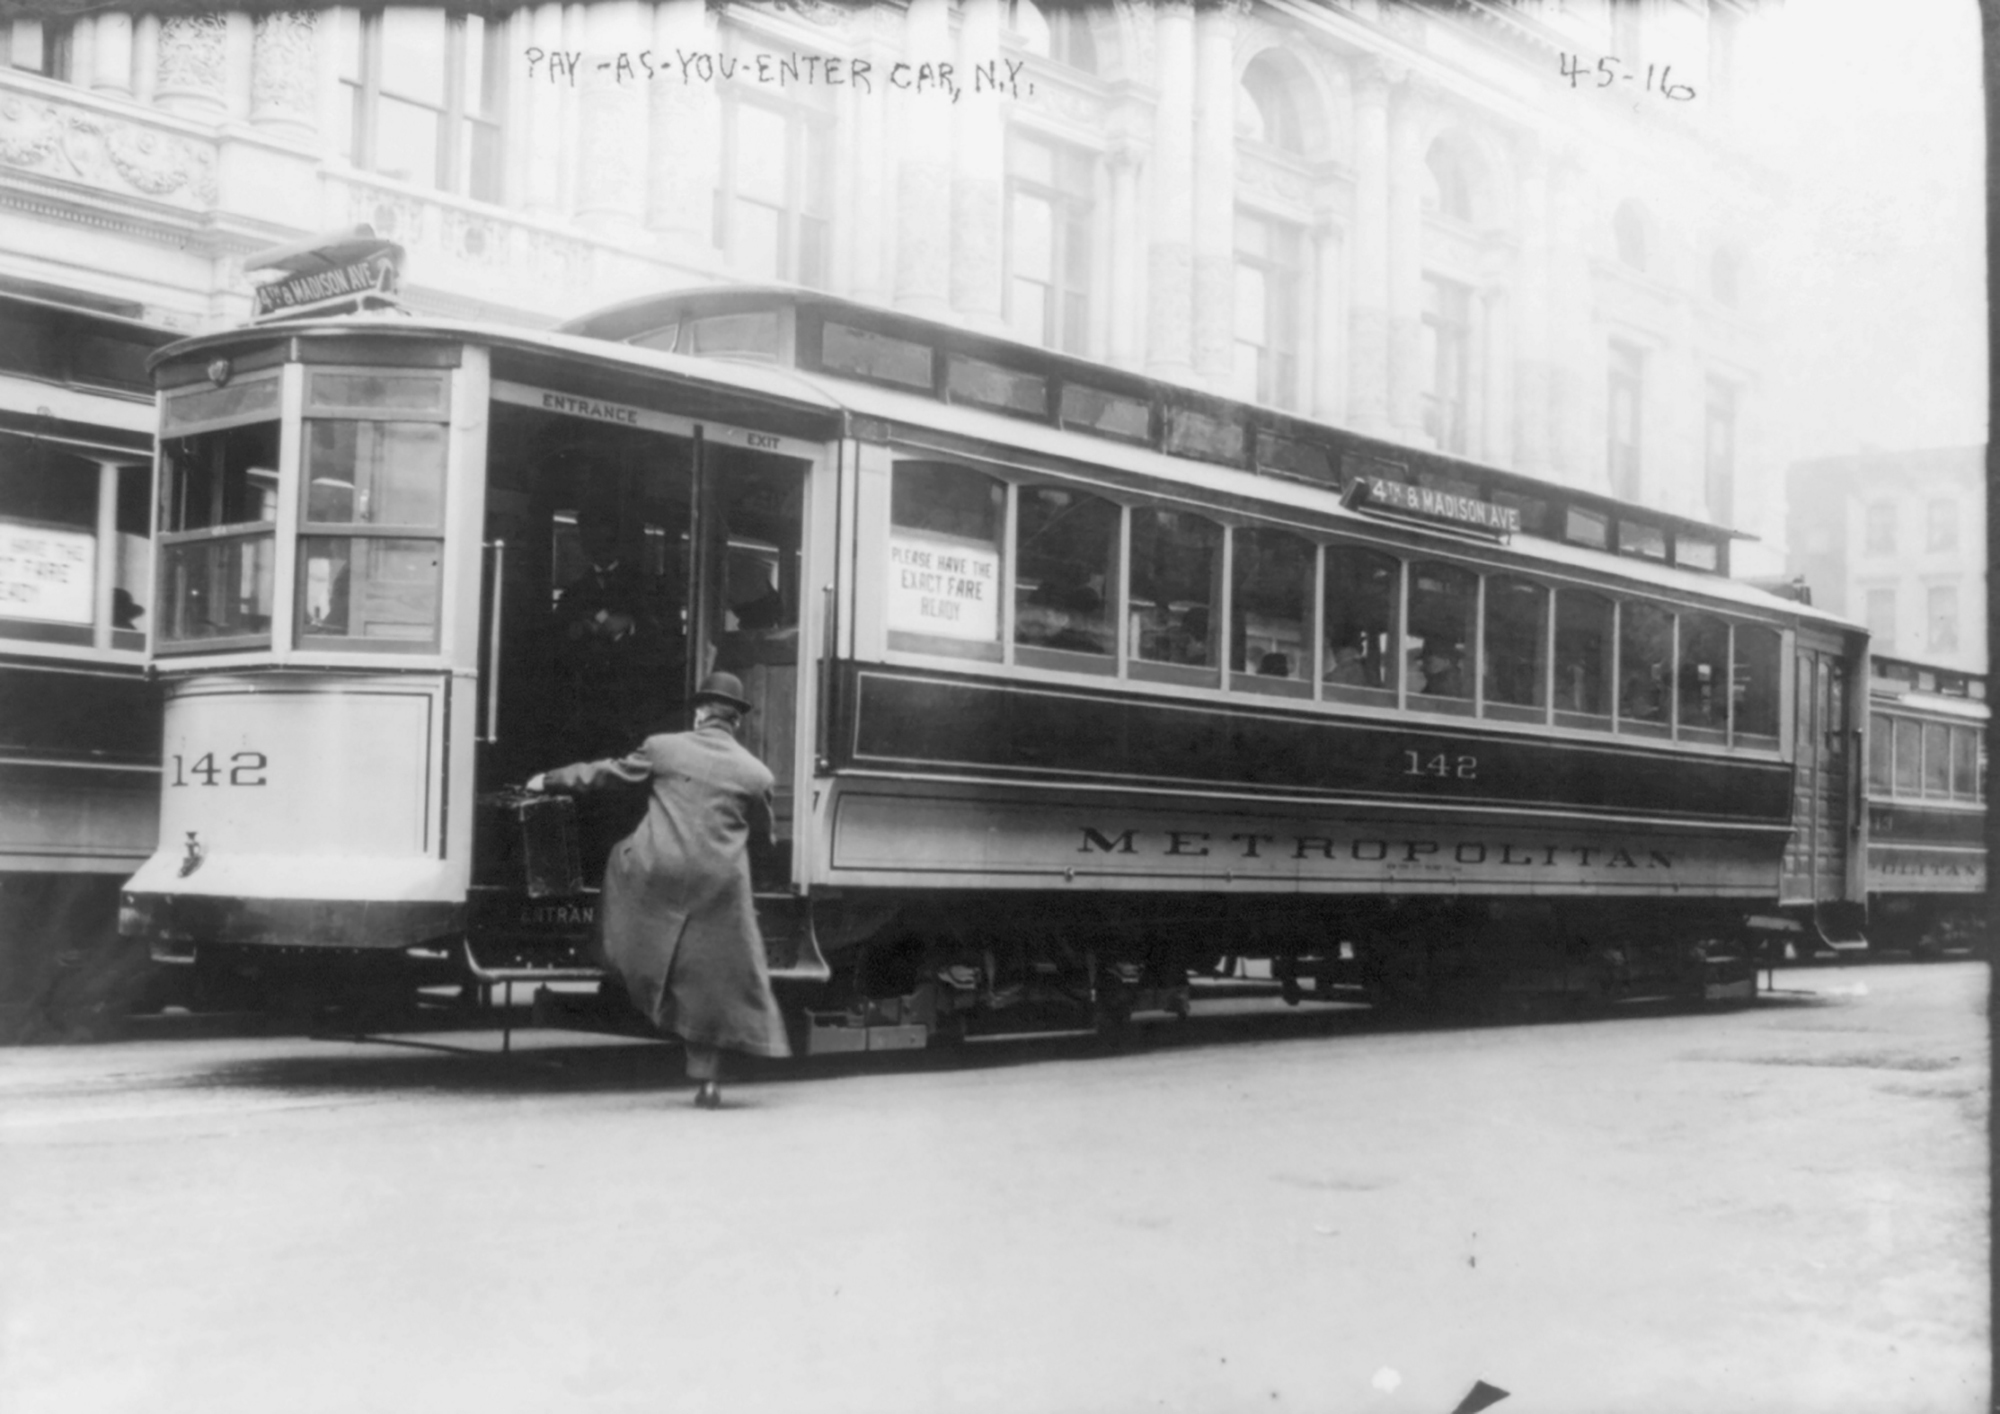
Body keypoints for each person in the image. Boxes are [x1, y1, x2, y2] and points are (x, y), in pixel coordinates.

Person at [526, 671, 789, 1108]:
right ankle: (708, 1080)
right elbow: (765, 838)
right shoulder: (756, 773)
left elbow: (604, 775)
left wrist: (548, 779)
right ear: (736, 721)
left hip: (658, 871)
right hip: (719, 885)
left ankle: (613, 955)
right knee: (713, 980)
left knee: (619, 858)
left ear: (701, 712)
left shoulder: (664, 747)